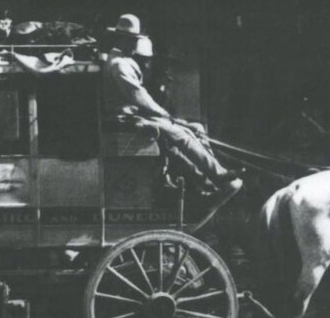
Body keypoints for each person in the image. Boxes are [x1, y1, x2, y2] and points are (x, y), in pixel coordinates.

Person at [103, 15, 241, 197]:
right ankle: (218, 175)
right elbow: (138, 97)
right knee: (180, 134)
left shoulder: (120, 60)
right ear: (122, 39)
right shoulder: (119, 64)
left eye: (135, 40)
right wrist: (165, 115)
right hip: (123, 119)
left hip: (134, 115)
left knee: (189, 132)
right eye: (131, 40)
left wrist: (167, 117)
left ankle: (206, 181)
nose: (134, 44)